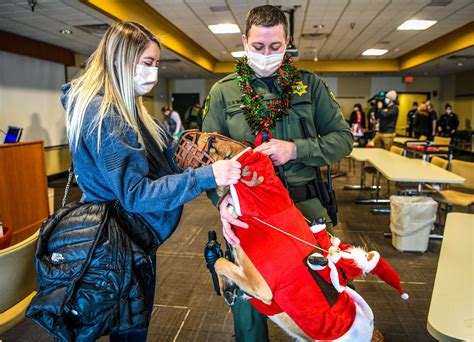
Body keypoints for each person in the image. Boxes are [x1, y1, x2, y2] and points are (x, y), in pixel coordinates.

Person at [62, 21, 242, 342]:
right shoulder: (106, 114)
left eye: (157, 64)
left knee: (130, 326)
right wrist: (208, 175)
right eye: (147, 63)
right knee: (129, 331)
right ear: (121, 60)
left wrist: (186, 158)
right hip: (119, 244)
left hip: (137, 241)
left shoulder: (129, 108)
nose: (153, 72)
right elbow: (137, 194)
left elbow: (160, 160)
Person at [201, 5, 353, 341]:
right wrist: (221, 204)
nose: (266, 55)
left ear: (288, 43)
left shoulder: (309, 87)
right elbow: (206, 159)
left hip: (306, 215)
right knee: (250, 314)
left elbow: (343, 140)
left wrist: (297, 149)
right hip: (250, 221)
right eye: (258, 47)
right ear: (244, 41)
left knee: (325, 314)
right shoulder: (224, 92)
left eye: (275, 47)